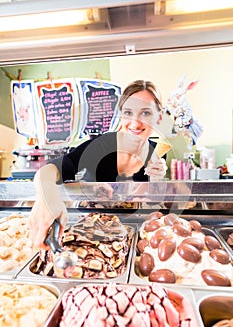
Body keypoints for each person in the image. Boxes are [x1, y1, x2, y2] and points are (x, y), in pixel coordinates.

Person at [29, 80, 167, 249]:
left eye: (146, 113)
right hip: (90, 232)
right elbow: (50, 170)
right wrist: (47, 196)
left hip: (132, 233)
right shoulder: (101, 145)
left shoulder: (157, 153)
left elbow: (150, 205)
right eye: (128, 112)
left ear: (159, 117)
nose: (135, 123)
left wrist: (156, 182)